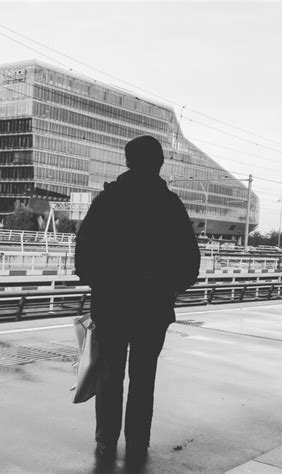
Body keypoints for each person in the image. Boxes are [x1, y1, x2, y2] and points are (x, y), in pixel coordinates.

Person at [75, 135, 200, 466]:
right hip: (153, 307)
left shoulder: (108, 201)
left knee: (110, 375)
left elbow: (83, 253)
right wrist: (168, 287)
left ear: (127, 161)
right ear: (159, 163)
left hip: (112, 304)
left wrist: (102, 283)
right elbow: (190, 261)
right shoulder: (169, 205)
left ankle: (105, 442)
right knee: (144, 378)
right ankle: (138, 442)